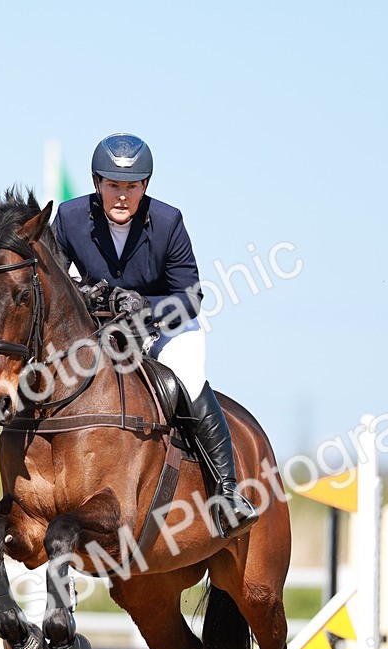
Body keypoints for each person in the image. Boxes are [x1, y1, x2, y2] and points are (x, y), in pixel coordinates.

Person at [52, 133, 258, 538]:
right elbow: (57, 285)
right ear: (97, 183)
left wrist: (146, 309)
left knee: (189, 379)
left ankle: (227, 494)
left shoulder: (167, 221)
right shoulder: (70, 218)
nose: (122, 196)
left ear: (145, 186)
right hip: (101, 331)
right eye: (113, 185)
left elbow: (191, 297)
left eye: (132, 186)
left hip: (165, 330)